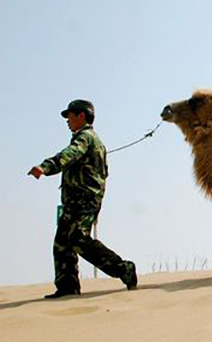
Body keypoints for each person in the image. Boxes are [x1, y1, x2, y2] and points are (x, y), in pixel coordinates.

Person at [28, 99, 137, 299]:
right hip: (74, 202)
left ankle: (123, 269)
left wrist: (46, 166)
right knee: (62, 243)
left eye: (70, 116)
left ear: (81, 116)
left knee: (78, 239)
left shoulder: (85, 137)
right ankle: (67, 287)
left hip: (85, 200)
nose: (67, 121)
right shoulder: (86, 138)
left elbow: (69, 155)